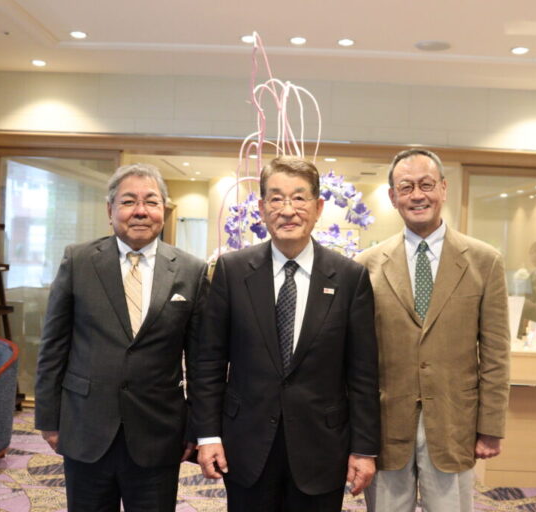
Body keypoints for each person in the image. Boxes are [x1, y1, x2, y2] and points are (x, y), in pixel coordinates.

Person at [192, 156, 380, 511]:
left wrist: (364, 448)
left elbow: (363, 373)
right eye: (276, 199)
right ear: (262, 208)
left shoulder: (349, 277)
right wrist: (208, 435)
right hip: (246, 444)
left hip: (322, 446)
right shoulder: (232, 272)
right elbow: (209, 362)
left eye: (299, 198)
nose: (288, 210)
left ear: (319, 206)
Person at [34, 163, 209, 512]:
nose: (141, 211)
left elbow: (203, 361)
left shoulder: (191, 270)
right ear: (110, 209)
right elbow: (53, 346)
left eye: (151, 201)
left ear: (164, 209)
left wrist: (198, 427)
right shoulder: (79, 260)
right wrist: (49, 419)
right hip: (86, 425)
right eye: (129, 201)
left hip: (158, 431)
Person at [355, 148, 510, 512]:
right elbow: (357, 358)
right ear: (393, 197)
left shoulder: (485, 261)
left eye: (426, 184)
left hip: (455, 420)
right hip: (385, 421)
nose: (417, 195)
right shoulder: (366, 266)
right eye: (406, 187)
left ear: (443, 188)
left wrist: (492, 425)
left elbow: (496, 352)